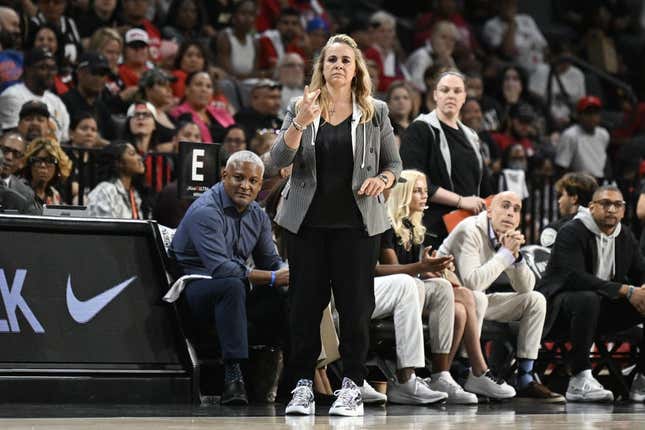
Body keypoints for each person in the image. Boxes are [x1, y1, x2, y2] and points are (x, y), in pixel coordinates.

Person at [271, 34, 401, 417]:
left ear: (356, 67)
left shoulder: (374, 111)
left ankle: (351, 387)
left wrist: (384, 181)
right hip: (306, 225)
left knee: (356, 308)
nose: (339, 66)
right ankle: (301, 388)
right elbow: (277, 159)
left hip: (358, 227)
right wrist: (299, 123)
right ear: (322, 67)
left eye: (346, 60)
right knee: (304, 309)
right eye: (331, 60)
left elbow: (393, 164)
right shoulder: (301, 106)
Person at [376, 169, 515, 403]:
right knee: (456, 293)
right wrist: (423, 268)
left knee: (460, 308)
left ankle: (442, 375)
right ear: (403, 193)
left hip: (414, 288)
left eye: (424, 191)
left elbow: (415, 272)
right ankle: (478, 369)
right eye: (417, 191)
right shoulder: (387, 224)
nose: (424, 196)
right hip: (394, 294)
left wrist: (434, 268)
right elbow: (397, 273)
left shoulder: (414, 227)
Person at [168, 150, 289, 405]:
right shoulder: (205, 210)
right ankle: (233, 378)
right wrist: (272, 278)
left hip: (236, 286)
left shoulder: (257, 214)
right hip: (194, 287)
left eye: (253, 181)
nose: (245, 186)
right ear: (224, 175)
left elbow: (270, 261)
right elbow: (222, 269)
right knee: (232, 285)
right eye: (238, 178)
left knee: (292, 293)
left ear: (259, 184)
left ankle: (298, 377)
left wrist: (287, 274)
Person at [438, 191, 564, 402]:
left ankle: (525, 377)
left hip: (476, 303)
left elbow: (526, 287)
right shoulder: (469, 229)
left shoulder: (505, 235)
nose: (510, 213)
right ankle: (466, 371)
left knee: (535, 299)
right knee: (476, 296)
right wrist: (504, 255)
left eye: (516, 209)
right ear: (489, 211)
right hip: (447, 300)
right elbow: (471, 282)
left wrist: (516, 257)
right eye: (505, 206)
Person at [538, 186, 645, 402]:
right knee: (587, 297)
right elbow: (573, 277)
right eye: (605, 204)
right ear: (592, 207)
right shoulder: (572, 231)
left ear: (624, 211)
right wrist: (626, 290)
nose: (612, 209)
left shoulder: (625, 236)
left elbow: (640, 271)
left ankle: (641, 377)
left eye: (618, 205)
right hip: (559, 310)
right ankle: (579, 378)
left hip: (599, 312)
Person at [400, 70, 489, 250]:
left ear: (464, 97)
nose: (451, 95)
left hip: (468, 227)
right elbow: (413, 180)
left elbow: (483, 185)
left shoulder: (471, 136)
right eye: (445, 90)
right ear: (435, 95)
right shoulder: (420, 129)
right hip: (433, 227)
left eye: (457, 91)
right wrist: (460, 201)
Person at [0, 47, 70, 141]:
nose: (50, 73)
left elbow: (65, 139)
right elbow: (14, 139)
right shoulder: (11, 96)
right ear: (28, 69)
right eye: (43, 67)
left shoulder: (57, 102)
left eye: (53, 68)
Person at [482, 0, 548, 74]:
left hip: (541, 67)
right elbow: (507, 52)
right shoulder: (491, 26)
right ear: (497, 5)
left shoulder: (526, 19)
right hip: (518, 71)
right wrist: (512, 23)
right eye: (506, 3)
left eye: (513, 3)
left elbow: (544, 45)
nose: (511, 6)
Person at [555, 96, 610, 183]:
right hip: (579, 183)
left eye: (595, 113)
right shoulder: (570, 135)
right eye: (588, 113)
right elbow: (561, 167)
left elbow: (603, 161)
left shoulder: (603, 134)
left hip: (599, 181)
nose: (592, 117)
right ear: (579, 115)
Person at [170, 71, 235, 143]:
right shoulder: (178, 113)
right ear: (187, 89)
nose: (204, 89)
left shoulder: (221, 112)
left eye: (208, 86)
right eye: (198, 85)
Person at [61, 51, 114, 140]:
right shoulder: (63, 103)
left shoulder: (103, 109)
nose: (99, 78)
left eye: (103, 74)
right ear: (80, 73)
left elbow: (113, 140)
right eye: (94, 72)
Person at [86, 142, 146, 219]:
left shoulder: (135, 192)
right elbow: (101, 227)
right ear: (119, 163)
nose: (139, 158)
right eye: (132, 154)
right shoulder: (105, 191)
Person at [540, 172, 598, 247]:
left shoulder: (554, 229)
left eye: (562, 195)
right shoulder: (604, 229)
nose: (559, 201)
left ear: (574, 198)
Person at [406, 20, 459, 93]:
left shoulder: (448, 59)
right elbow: (416, 85)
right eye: (444, 37)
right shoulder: (421, 56)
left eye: (452, 40)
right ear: (432, 36)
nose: (448, 43)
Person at [21, 136, 72, 209]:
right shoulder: (19, 190)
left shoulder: (54, 194)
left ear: (57, 168)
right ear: (29, 165)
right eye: (37, 160)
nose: (43, 165)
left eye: (50, 161)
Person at [363, 11, 407, 92]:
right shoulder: (371, 53)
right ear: (373, 32)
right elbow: (378, 82)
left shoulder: (392, 54)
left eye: (390, 31)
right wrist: (401, 83)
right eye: (382, 31)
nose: (387, 35)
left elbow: (405, 77)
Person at [27, 0, 82, 64]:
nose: (51, 6)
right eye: (46, 2)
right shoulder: (32, 24)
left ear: (65, 5)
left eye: (56, 2)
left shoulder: (70, 22)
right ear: (39, 4)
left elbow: (79, 48)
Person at [215, 0, 257, 79]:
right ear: (234, 17)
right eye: (243, 13)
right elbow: (227, 74)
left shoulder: (255, 42)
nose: (247, 18)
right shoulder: (224, 38)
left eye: (251, 14)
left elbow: (254, 73)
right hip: (232, 85)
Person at [138, 68, 178, 149]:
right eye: (163, 85)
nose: (169, 90)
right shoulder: (140, 115)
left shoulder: (171, 117)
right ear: (148, 89)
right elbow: (140, 149)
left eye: (169, 85)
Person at [0, 132, 36, 205]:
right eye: (5, 150)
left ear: (22, 162)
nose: (9, 157)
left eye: (16, 154)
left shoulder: (26, 194)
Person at [275, 53, 305, 117]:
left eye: (300, 66)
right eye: (291, 65)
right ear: (279, 69)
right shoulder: (271, 92)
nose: (297, 69)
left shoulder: (308, 94)